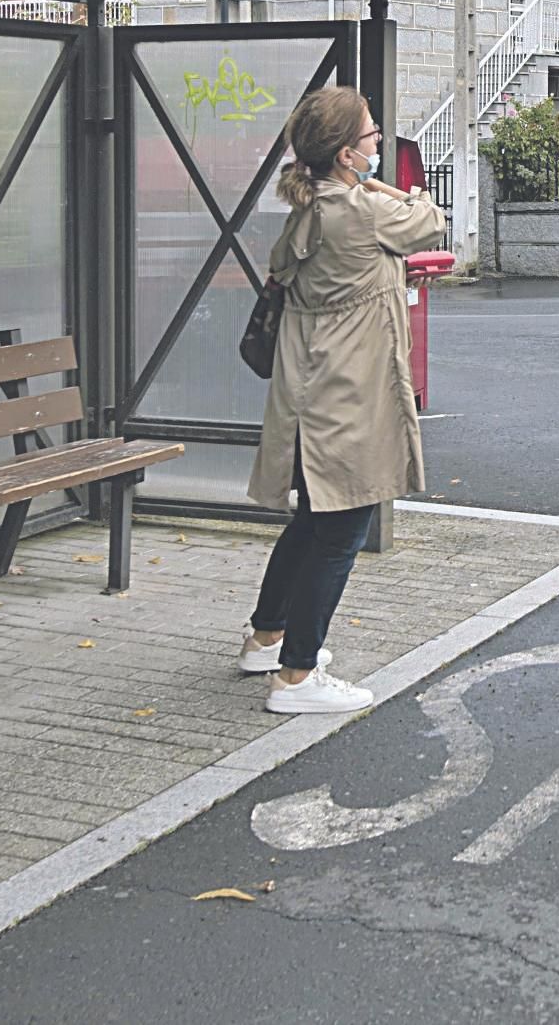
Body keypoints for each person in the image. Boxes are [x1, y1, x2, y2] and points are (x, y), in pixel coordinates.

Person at [240, 87, 446, 715]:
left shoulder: (310, 211)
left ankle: (266, 638)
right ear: (345, 154)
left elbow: (347, 275)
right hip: (345, 399)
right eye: (370, 135)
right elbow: (430, 215)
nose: (380, 141)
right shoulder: (359, 211)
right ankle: (298, 677)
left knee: (311, 522)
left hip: (306, 396)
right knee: (343, 527)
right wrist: (381, 189)